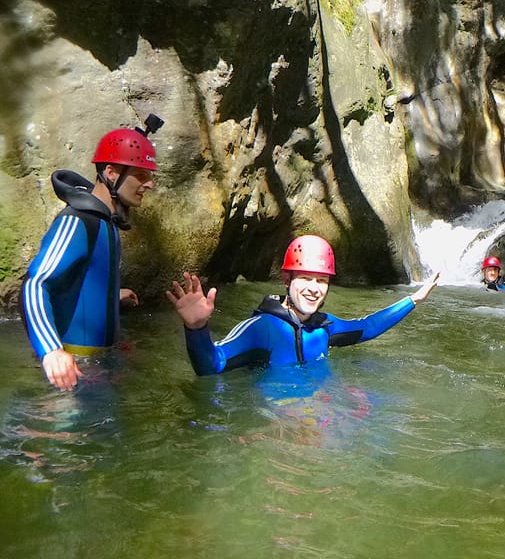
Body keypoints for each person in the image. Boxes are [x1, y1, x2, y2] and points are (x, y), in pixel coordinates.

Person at [21, 116, 162, 391]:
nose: (150, 185)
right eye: (142, 176)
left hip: (99, 370)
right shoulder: (77, 221)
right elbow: (35, 284)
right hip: (72, 374)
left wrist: (110, 295)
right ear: (111, 173)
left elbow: (79, 281)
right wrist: (51, 351)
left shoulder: (106, 222)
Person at [166, 234, 440, 375]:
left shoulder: (324, 327)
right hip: (275, 428)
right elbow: (212, 366)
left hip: (319, 418)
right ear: (287, 279)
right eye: (305, 278)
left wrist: (413, 299)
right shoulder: (262, 328)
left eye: (321, 281)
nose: (313, 289)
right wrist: (197, 328)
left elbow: (366, 327)